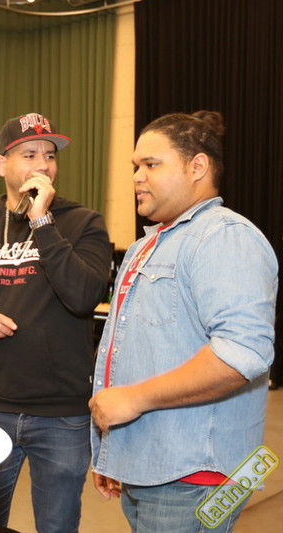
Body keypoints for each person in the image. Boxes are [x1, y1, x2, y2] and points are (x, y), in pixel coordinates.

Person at [89, 111, 278, 533]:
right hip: (151, 466)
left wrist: (133, 399)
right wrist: (115, 454)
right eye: (135, 166)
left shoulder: (224, 236)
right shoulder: (148, 244)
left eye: (151, 164)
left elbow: (242, 354)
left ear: (197, 167)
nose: (137, 177)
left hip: (194, 479)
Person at [0, 112, 112, 532]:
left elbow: (83, 297)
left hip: (62, 415)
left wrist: (42, 221)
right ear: (2, 164)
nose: (43, 165)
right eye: (29, 154)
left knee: (57, 526)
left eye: (50, 155)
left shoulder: (84, 223)